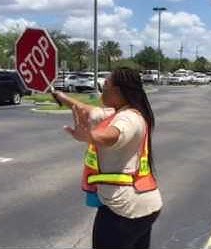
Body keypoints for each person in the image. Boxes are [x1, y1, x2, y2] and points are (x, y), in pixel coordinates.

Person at [52, 67, 162, 249]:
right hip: (143, 205)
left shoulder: (129, 118)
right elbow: (88, 110)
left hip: (124, 209)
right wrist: (62, 97)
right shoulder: (118, 112)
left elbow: (114, 135)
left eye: (106, 85)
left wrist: (91, 137)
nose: (102, 87)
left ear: (118, 92)